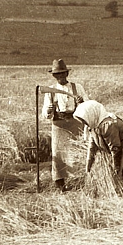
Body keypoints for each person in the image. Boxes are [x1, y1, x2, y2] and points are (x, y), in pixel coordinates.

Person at [73, 100, 123, 203]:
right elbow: (92, 145)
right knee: (121, 176)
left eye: (84, 120)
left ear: (92, 114)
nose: (84, 123)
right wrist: (89, 163)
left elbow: (115, 148)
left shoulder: (108, 125)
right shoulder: (93, 125)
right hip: (117, 150)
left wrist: (116, 167)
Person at [41, 59, 89, 192]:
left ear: (67, 74)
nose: (61, 77)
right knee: (59, 155)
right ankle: (61, 186)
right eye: (58, 75)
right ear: (54, 76)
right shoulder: (51, 91)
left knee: (77, 153)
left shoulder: (77, 87)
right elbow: (45, 113)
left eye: (63, 74)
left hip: (75, 123)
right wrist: (49, 110)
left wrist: (81, 101)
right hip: (58, 125)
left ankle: (80, 182)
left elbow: (88, 104)